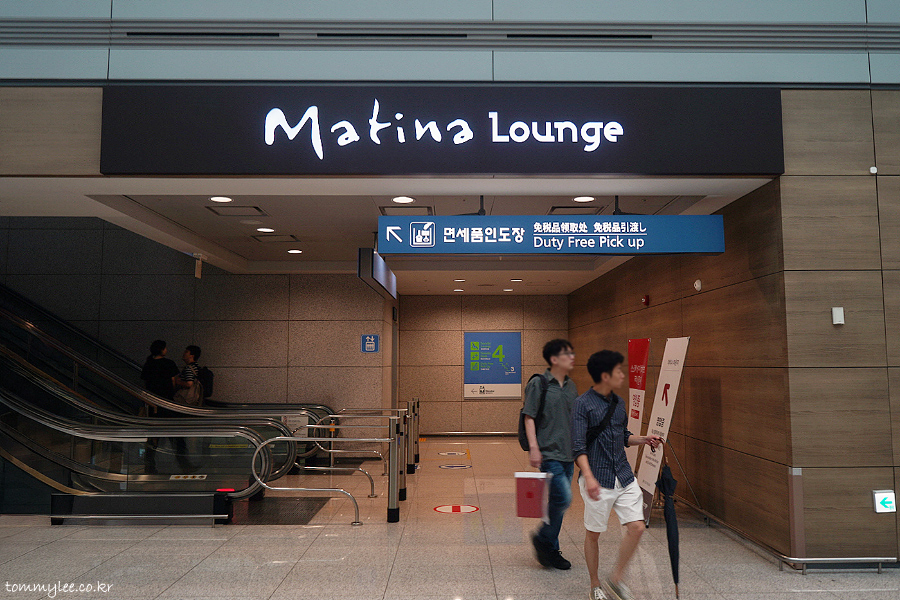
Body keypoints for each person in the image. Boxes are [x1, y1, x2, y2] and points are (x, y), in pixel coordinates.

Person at [572, 350, 662, 600]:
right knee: (594, 534)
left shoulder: (619, 403)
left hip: (623, 476)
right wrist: (589, 477)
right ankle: (595, 585)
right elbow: (578, 447)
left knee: (637, 527)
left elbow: (623, 436)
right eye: (618, 371)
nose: (623, 375)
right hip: (597, 479)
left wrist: (644, 439)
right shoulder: (582, 404)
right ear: (605, 375)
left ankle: (616, 579)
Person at [522, 338, 578, 570]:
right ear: (554, 359)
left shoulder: (572, 386)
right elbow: (529, 416)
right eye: (567, 354)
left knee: (557, 501)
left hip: (568, 454)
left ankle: (551, 550)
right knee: (563, 498)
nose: (572, 357)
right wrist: (534, 447)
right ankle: (543, 537)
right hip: (548, 453)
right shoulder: (540, 383)